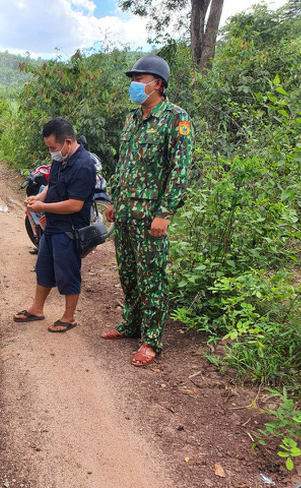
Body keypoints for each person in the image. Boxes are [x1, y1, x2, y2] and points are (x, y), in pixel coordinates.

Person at [102, 55, 194, 366]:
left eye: (139, 80)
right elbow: (124, 164)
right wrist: (115, 200)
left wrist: (164, 214)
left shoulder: (176, 119)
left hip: (150, 217)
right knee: (128, 273)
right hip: (126, 212)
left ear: (157, 84)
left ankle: (151, 339)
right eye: (134, 79)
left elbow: (179, 171)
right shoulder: (131, 120)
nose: (134, 85)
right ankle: (131, 324)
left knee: (151, 277)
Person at [13, 118, 96, 332]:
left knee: (68, 271)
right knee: (44, 267)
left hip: (70, 229)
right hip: (52, 226)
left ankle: (69, 317)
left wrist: (42, 207)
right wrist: (38, 197)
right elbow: (53, 184)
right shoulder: (61, 159)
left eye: (53, 148)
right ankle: (37, 309)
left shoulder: (84, 165)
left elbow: (75, 205)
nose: (52, 152)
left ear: (68, 142)